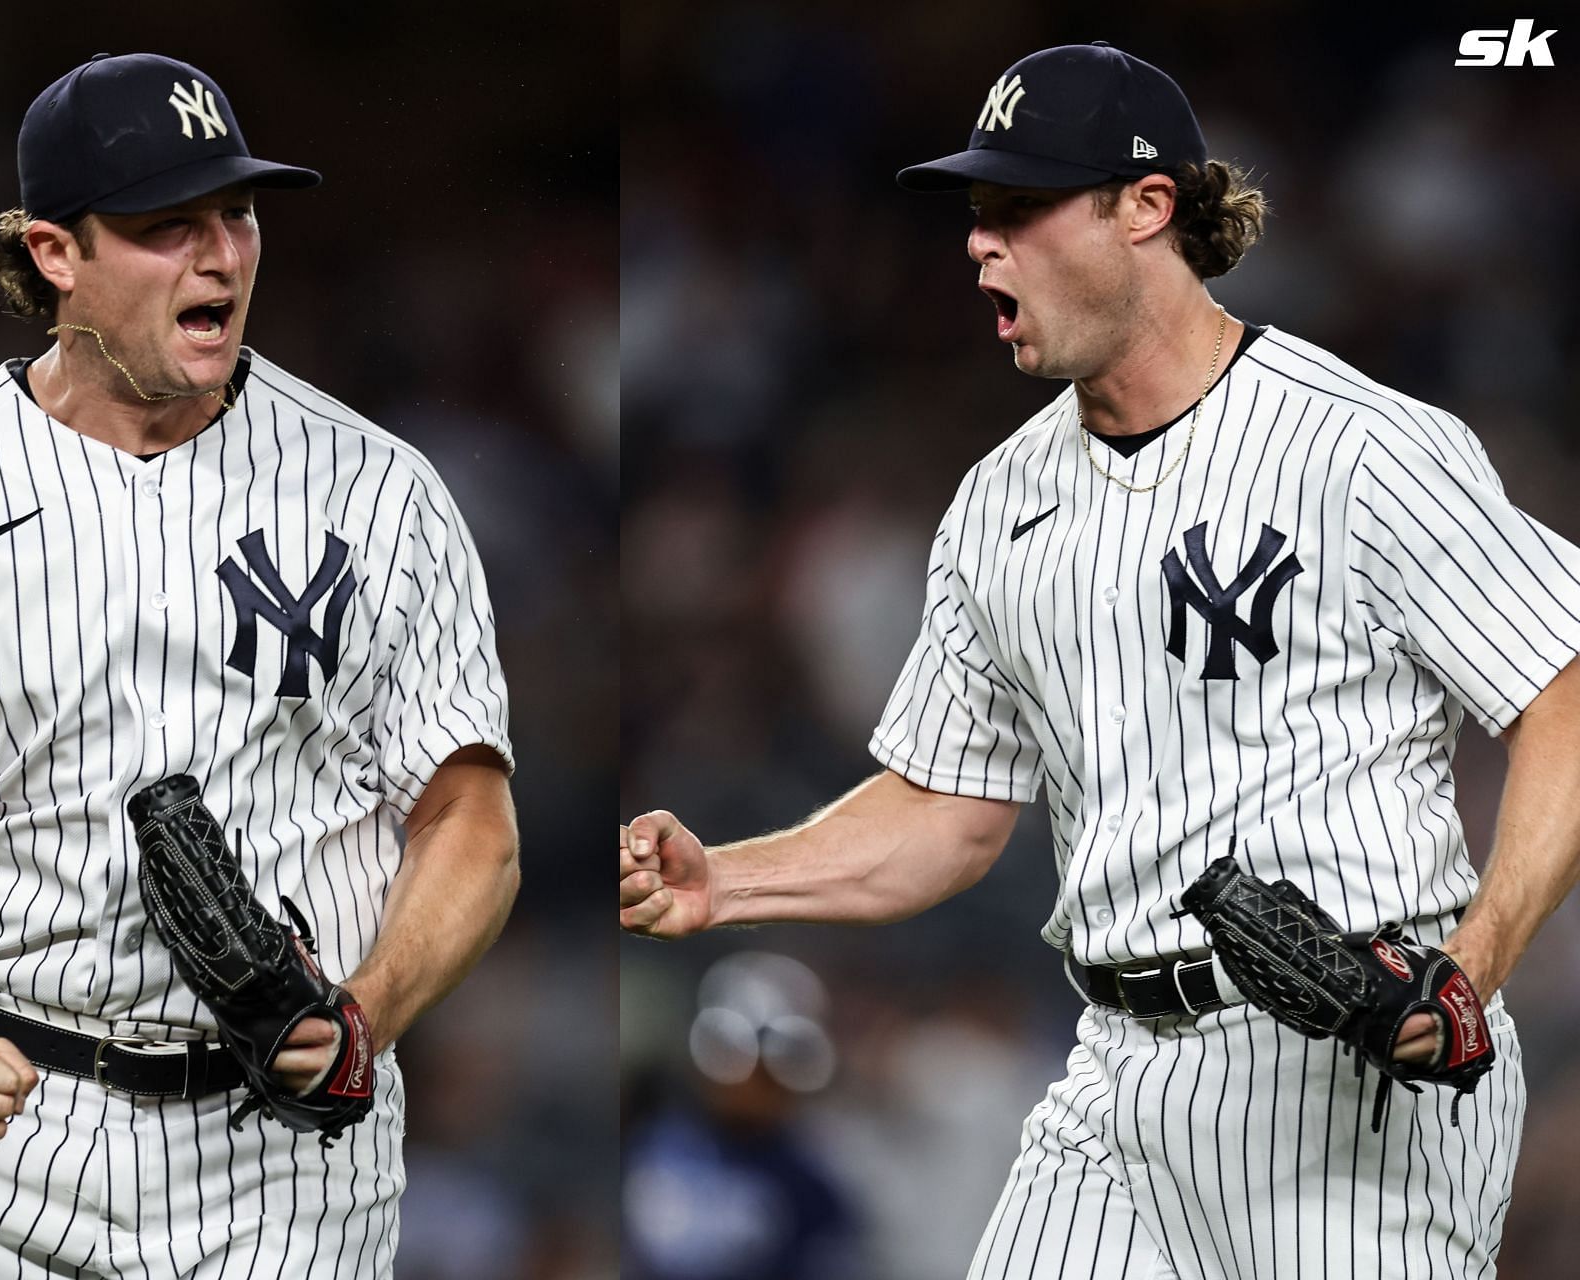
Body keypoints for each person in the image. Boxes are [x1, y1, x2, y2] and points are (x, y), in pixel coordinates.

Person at [621, 40, 1580, 1277]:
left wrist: (1474, 965)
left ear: (1148, 207)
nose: (980, 243)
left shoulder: (1360, 448)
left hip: (1357, 1075)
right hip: (1115, 1079)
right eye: (978, 213)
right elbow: (949, 812)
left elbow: (1562, 692)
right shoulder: (997, 503)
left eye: (1020, 208)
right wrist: (728, 882)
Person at [0, 52, 518, 1276]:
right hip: (10, 1142)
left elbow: (470, 816)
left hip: (290, 1160)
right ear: (55, 253)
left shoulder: (382, 490)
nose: (220, 254)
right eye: (168, 227)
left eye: (237, 212)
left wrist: (366, 1011)